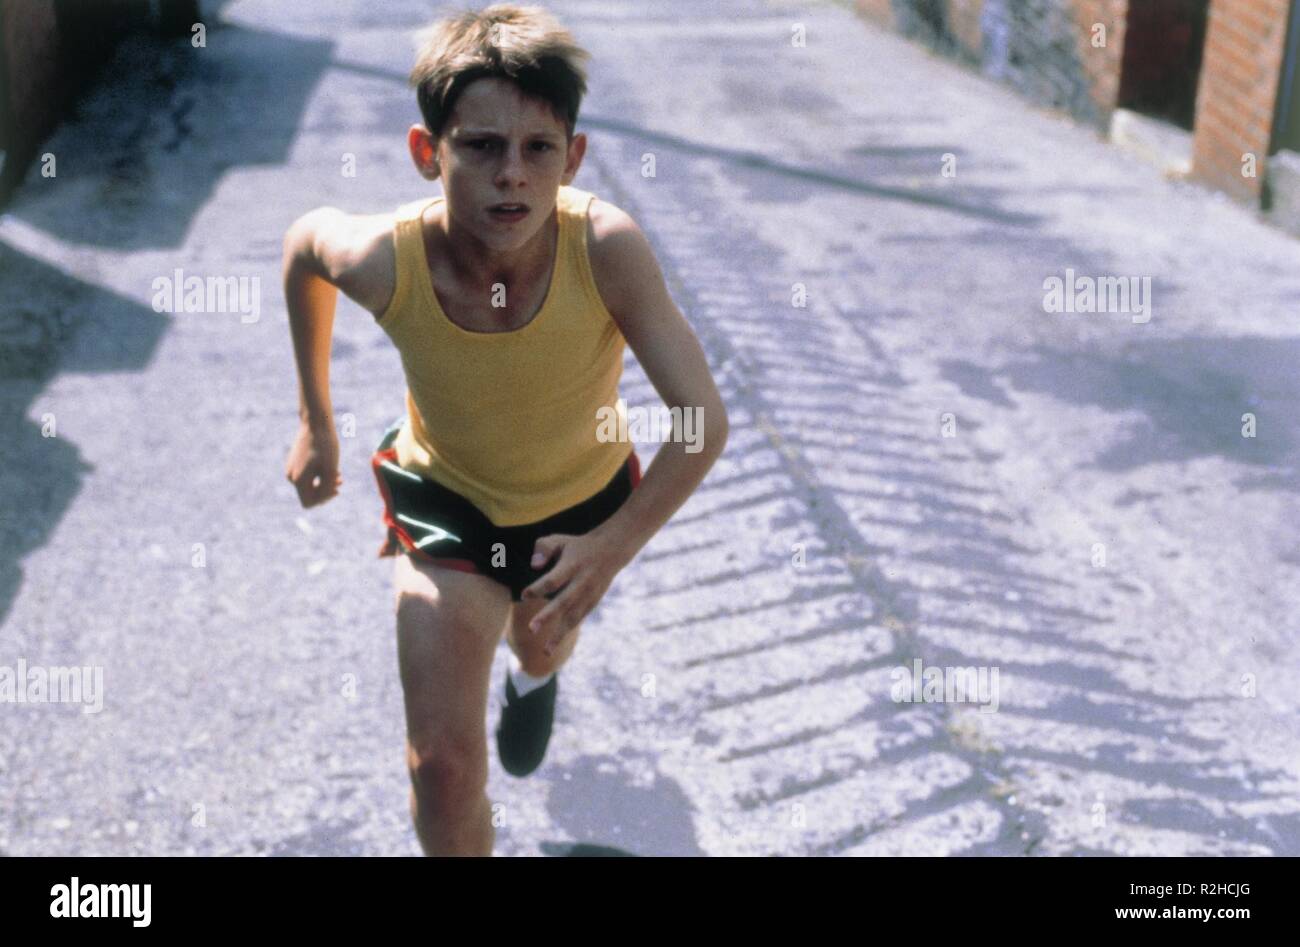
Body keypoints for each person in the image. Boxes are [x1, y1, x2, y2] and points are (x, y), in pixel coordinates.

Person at [282, 3, 728, 856]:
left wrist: (612, 545)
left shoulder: (605, 248)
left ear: (575, 158)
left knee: (538, 633)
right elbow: (305, 245)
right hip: (449, 508)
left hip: (581, 510)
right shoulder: (386, 258)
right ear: (428, 153)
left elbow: (702, 418)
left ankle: (536, 675)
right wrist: (316, 422)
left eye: (538, 150)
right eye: (481, 146)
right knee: (443, 768)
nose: (511, 177)